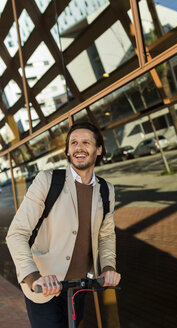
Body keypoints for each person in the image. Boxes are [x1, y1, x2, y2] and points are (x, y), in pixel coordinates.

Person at [6, 122, 121, 328]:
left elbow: (106, 236)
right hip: (44, 287)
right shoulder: (47, 181)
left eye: (86, 142)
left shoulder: (106, 190)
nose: (79, 147)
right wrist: (33, 277)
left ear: (99, 149)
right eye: (73, 143)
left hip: (79, 286)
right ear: (68, 151)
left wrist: (108, 267)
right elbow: (17, 233)